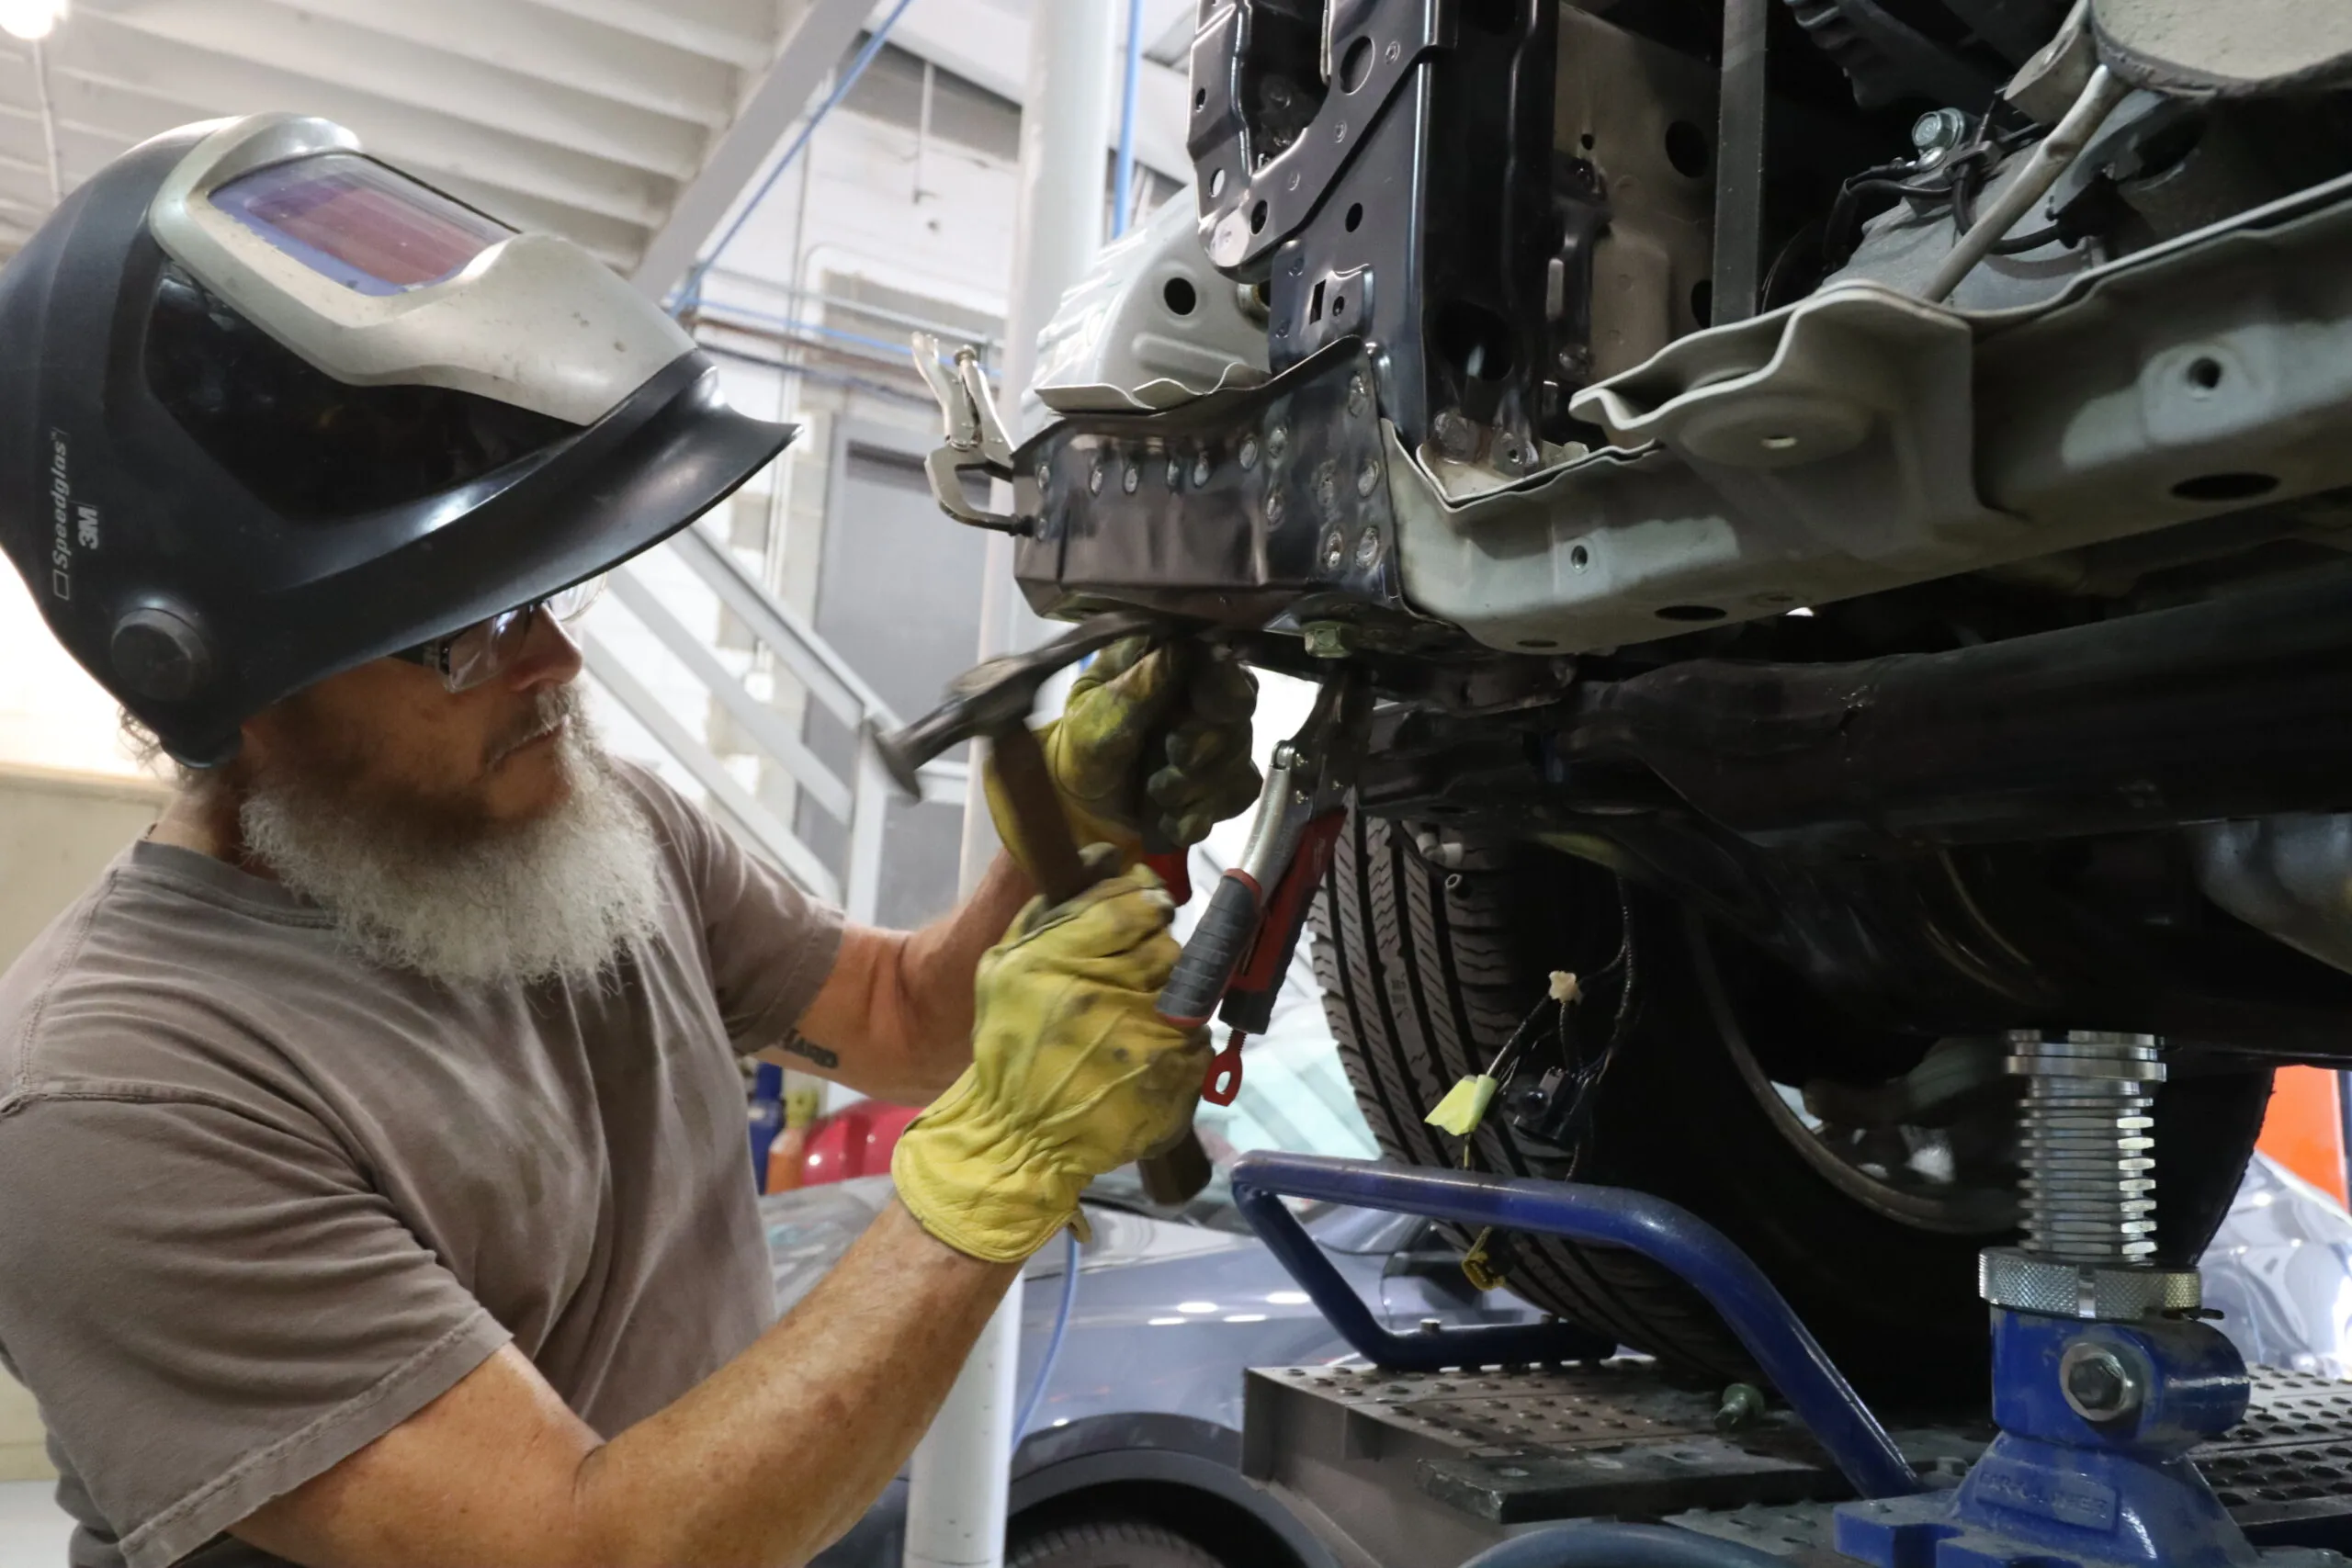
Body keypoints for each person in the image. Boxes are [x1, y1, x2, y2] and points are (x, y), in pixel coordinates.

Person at [0, 115, 1261, 1568]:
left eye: (547, 594)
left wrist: (1073, 822)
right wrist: (993, 1170)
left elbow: (907, 1019)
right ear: (221, 681)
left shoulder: (583, 830)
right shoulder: (123, 1096)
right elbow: (579, 1547)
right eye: (467, 634)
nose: (555, 666)